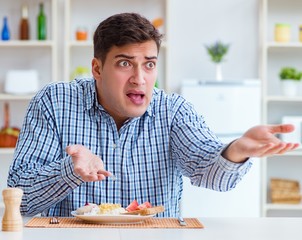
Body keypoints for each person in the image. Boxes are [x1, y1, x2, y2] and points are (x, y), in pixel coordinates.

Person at [7, 13, 299, 217]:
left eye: (149, 65)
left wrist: (235, 151)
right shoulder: (54, 102)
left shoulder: (173, 111)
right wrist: (70, 171)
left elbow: (213, 176)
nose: (140, 78)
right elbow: (20, 201)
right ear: (97, 68)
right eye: (125, 63)